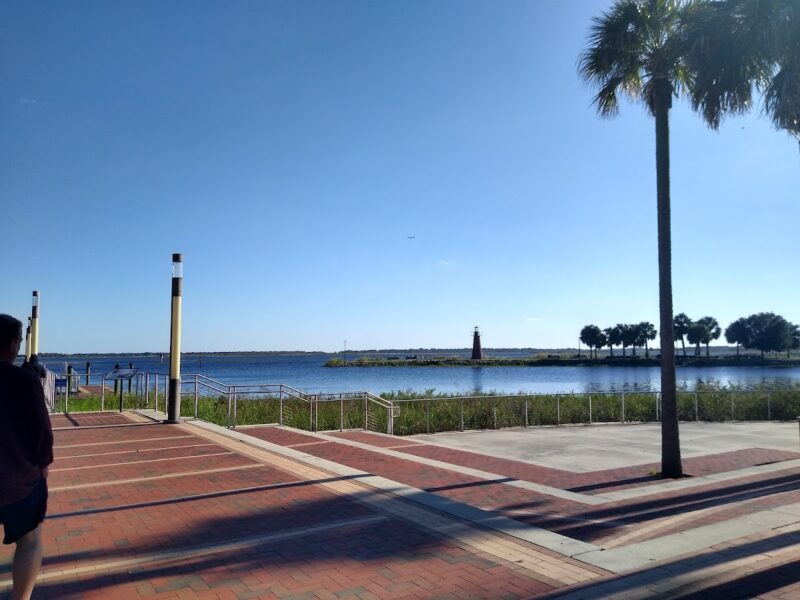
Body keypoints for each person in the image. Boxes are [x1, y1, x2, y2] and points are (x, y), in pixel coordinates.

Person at [0, 314, 53, 600]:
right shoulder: (25, 381)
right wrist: (43, 465)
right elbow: (42, 433)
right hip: (18, 481)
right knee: (29, 540)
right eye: (19, 341)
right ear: (10, 345)